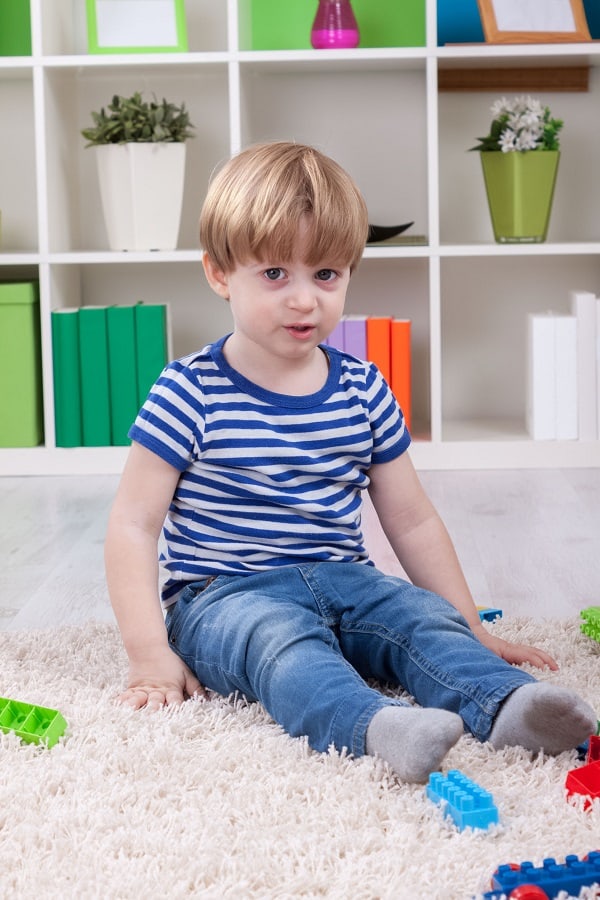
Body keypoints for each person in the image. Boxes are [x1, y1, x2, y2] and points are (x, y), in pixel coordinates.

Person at [105, 141, 595, 784]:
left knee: (422, 620)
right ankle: (372, 728)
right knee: (281, 647)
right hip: (224, 598)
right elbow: (132, 526)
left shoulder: (363, 387)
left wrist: (469, 621)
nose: (305, 300)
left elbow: (411, 519)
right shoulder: (188, 391)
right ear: (220, 273)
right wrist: (150, 654)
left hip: (345, 578)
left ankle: (507, 704)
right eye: (275, 274)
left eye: (326, 275)